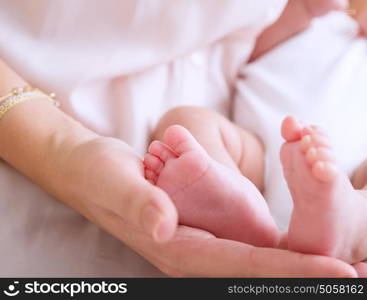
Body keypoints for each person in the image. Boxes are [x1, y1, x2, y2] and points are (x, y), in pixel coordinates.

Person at [0, 0, 365, 277]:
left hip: (312, 153)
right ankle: (226, 192)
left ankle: (344, 217)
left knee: (187, 127)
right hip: (260, 146)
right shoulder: (323, 32)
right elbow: (272, 33)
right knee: (186, 126)